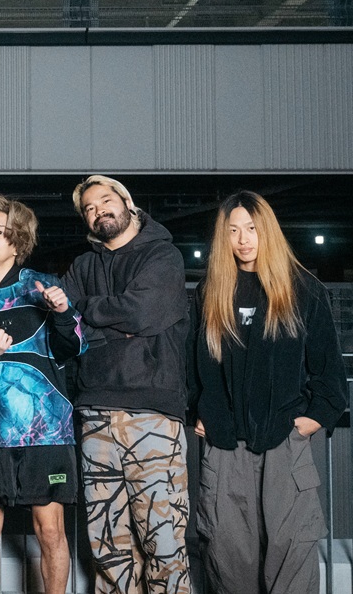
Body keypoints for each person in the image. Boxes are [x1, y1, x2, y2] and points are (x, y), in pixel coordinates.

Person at [189, 191, 347, 594]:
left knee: (292, 564)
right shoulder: (211, 292)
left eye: (252, 228)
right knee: (227, 563)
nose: (243, 239)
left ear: (268, 231)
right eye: (233, 230)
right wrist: (198, 411)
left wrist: (308, 423)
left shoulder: (303, 290)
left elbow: (330, 376)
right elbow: (190, 366)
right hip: (225, 451)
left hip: (283, 447)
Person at [0, 195, 86, 594]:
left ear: (17, 241)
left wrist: (63, 313)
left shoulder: (44, 287)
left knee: (51, 529)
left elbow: (76, 346)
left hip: (46, 430)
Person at [62, 175, 193, 593]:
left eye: (105, 200)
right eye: (89, 208)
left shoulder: (163, 256)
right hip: (95, 413)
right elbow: (67, 329)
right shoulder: (82, 267)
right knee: (108, 549)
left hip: (152, 412)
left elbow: (143, 312)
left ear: (127, 201)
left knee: (164, 542)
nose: (98, 210)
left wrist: (89, 312)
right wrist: (109, 323)